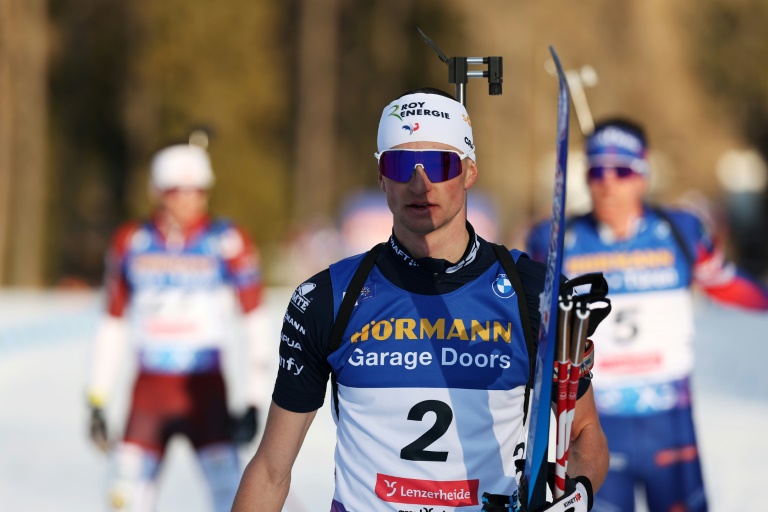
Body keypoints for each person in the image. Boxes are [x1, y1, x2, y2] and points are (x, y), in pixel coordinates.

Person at [232, 88, 609, 512]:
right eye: (399, 164)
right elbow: (270, 469)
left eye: (439, 163)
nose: (419, 182)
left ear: (469, 171)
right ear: (381, 177)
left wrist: (575, 495)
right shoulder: (329, 297)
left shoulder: (532, 292)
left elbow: (582, 434)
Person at [525, 118, 768, 512]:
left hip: (670, 426)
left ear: (642, 173)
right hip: (592, 427)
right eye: (597, 171)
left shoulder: (679, 231)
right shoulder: (554, 240)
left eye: (620, 171)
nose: (607, 183)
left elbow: (727, 283)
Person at [86, 141, 271, 512]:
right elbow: (113, 321)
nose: (188, 200)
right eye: (176, 191)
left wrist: (253, 400)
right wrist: (97, 398)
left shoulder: (227, 241)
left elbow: (255, 322)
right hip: (150, 392)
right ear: (157, 191)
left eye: (197, 191)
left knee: (231, 496)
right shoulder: (131, 241)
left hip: (206, 391)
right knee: (124, 499)